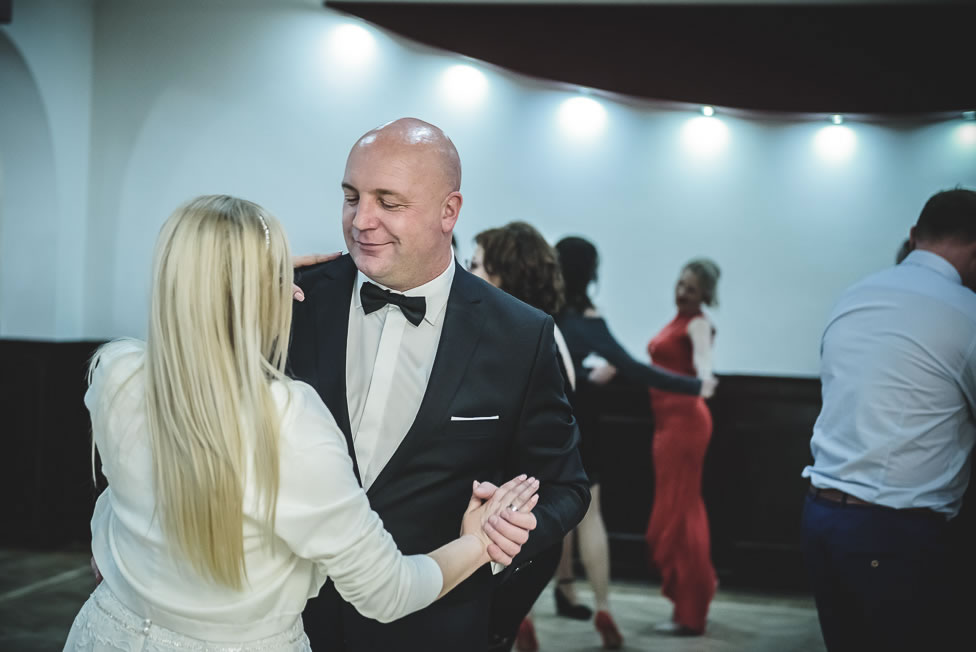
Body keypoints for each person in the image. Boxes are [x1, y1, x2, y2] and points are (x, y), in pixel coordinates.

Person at [67, 195, 541, 652]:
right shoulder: (287, 421)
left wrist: (231, 280)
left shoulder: (115, 376)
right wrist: (478, 542)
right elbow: (388, 592)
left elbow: (117, 499)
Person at [289, 118, 591, 652]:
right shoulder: (290, 299)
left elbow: (565, 486)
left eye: (389, 202)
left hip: (435, 626)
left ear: (448, 211)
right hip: (291, 617)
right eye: (352, 197)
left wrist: (508, 533)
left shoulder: (520, 334)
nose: (362, 220)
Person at [801, 187, 976, 652]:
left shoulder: (853, 296)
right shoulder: (966, 314)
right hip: (894, 531)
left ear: (915, 235)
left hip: (821, 517)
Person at [552, 236, 715, 649]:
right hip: (584, 424)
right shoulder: (590, 321)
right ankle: (603, 605)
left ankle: (540, 605)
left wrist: (581, 376)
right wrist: (693, 385)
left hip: (544, 423)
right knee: (590, 515)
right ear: (591, 274)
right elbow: (633, 368)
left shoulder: (540, 313)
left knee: (551, 512)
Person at [467, 222, 574, 652]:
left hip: (519, 531)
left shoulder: (533, 341)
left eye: (476, 265)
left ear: (504, 275)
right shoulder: (529, 335)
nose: (465, 273)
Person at [644, 258, 722, 636]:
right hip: (667, 426)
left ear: (704, 293)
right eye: (680, 284)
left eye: (690, 288)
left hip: (685, 426)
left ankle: (692, 611)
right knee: (676, 510)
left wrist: (705, 379)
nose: (681, 293)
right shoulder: (676, 322)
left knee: (683, 512)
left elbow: (704, 362)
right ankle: (688, 604)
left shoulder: (698, 324)